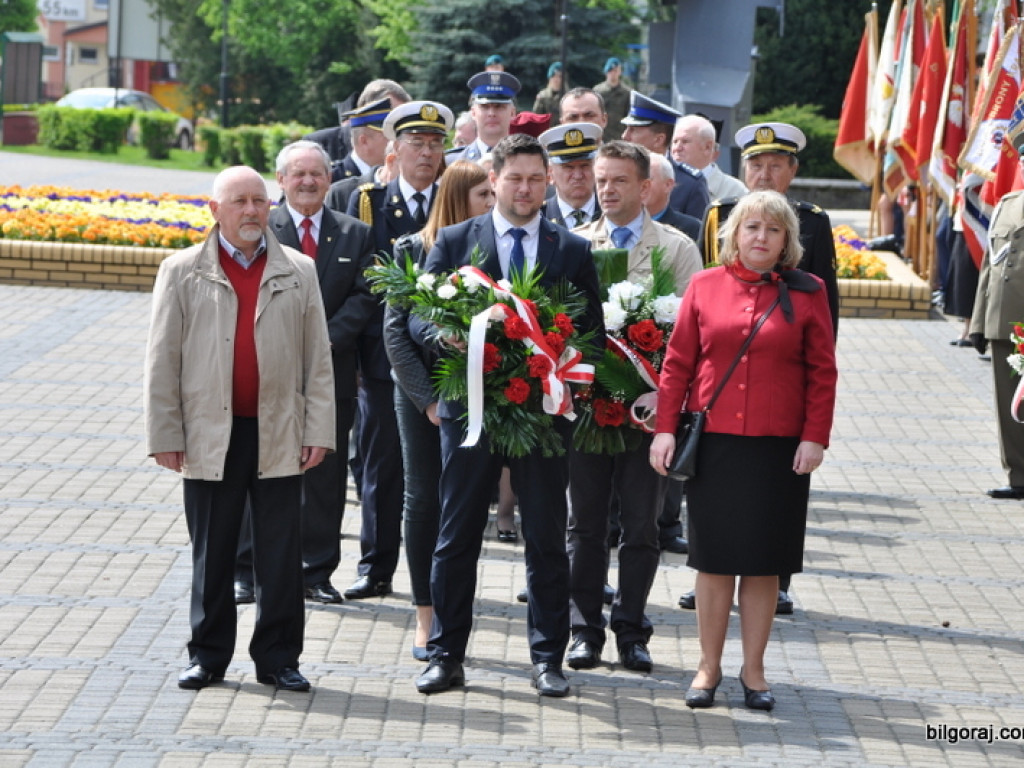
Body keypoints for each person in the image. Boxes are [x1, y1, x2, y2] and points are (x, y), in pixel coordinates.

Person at [415, 133, 605, 697]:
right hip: (470, 411)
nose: (525, 189)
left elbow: (590, 330)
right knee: (456, 536)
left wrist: (565, 360)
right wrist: (447, 335)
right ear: (492, 180)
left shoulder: (570, 249)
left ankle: (548, 658)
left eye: (535, 179)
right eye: (514, 178)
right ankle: (445, 654)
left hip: (542, 416)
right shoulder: (453, 241)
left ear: (548, 183)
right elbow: (417, 317)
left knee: (545, 536)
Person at [145, 166, 335, 692]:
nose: (251, 211)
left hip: (279, 432)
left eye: (258, 201)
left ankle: (278, 658)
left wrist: (318, 428)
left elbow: (318, 359)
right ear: (214, 210)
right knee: (214, 550)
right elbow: (162, 360)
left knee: (279, 552)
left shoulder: (299, 270)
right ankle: (207, 657)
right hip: (209, 434)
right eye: (239, 202)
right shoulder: (180, 271)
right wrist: (166, 435)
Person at [649, 190, 837, 711]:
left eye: (772, 230)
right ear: (734, 235)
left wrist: (814, 436)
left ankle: (754, 672)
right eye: (751, 227)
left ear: (787, 241)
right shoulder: (705, 286)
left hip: (779, 449)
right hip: (715, 445)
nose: (761, 237)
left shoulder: (808, 291)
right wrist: (665, 429)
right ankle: (707, 667)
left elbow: (824, 371)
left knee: (763, 564)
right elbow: (678, 365)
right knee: (713, 562)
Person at [687, 120, 839, 616]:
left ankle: (777, 578)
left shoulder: (811, 220)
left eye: (776, 164)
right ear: (743, 168)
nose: (765, 172)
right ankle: (712, 572)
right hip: (725, 384)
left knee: (775, 499)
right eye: (756, 164)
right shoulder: (721, 214)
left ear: (792, 170)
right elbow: (713, 289)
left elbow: (824, 305)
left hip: (783, 362)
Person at [565, 140, 701, 674]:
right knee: (585, 525)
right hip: (586, 411)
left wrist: (662, 396)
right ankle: (584, 630)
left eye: (619, 180)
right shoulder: (575, 243)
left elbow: (691, 337)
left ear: (645, 188)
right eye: (601, 180)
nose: (606, 189)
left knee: (642, 526)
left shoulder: (675, 248)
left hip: (646, 414)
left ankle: (631, 629)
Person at [232, 141, 377, 606]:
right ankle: (246, 572)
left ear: (329, 179)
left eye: (317, 173)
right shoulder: (259, 229)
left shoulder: (355, 233)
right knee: (255, 468)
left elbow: (366, 295)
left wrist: (323, 338)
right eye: (299, 174)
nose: (309, 181)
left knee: (324, 477)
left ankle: (316, 571)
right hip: (265, 372)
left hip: (329, 374)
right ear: (281, 181)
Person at [384, 161, 495, 660]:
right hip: (420, 398)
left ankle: (455, 613)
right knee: (423, 499)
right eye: (483, 197)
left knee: (463, 504)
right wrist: (428, 400)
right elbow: (395, 332)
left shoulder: (494, 250)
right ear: (457, 200)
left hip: (477, 397)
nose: (493, 206)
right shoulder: (411, 248)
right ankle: (425, 614)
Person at [344, 101, 454, 601]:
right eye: (417, 143)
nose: (427, 153)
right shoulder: (371, 203)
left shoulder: (450, 204)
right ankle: (376, 564)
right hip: (383, 361)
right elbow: (363, 282)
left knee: (436, 479)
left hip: (445, 366)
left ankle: (436, 572)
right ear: (395, 150)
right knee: (382, 467)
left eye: (435, 144)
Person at [969, 134, 1024, 499]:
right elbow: (990, 266)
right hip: (1005, 320)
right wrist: (977, 322)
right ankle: (1018, 476)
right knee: (1010, 406)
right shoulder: (1007, 203)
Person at [621, 92, 710, 221]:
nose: (624, 136)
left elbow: (697, 234)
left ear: (658, 139)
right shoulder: (615, 174)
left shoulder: (689, 183)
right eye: (626, 128)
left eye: (633, 130)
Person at [305, 79, 410, 180]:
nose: (400, 140)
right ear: (364, 141)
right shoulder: (330, 178)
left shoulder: (405, 176)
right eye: (391, 133)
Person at [445, 71, 521, 163]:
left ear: (512, 113)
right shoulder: (451, 162)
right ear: (473, 113)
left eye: (499, 106)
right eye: (484, 106)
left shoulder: (529, 161)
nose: (491, 113)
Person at [538, 121, 602, 228]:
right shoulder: (538, 218)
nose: (578, 175)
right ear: (550, 173)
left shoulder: (612, 212)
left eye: (585, 165)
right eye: (568, 167)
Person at [671, 114, 747, 201]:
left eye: (685, 141)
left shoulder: (735, 192)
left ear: (707, 147)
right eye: (675, 141)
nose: (677, 148)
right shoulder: (663, 182)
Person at [331, 98, 390, 183]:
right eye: (387, 137)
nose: (393, 142)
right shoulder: (334, 177)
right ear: (364, 141)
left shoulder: (394, 174)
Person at [646, 152, 700, 243]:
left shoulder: (692, 229)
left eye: (648, 179)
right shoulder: (620, 224)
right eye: (637, 180)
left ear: (668, 185)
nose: (641, 186)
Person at [594, 57, 629, 141]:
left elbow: (629, 115)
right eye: (610, 71)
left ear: (620, 72)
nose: (613, 74)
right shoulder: (598, 91)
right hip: (602, 133)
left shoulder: (626, 92)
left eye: (615, 71)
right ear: (606, 72)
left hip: (619, 134)